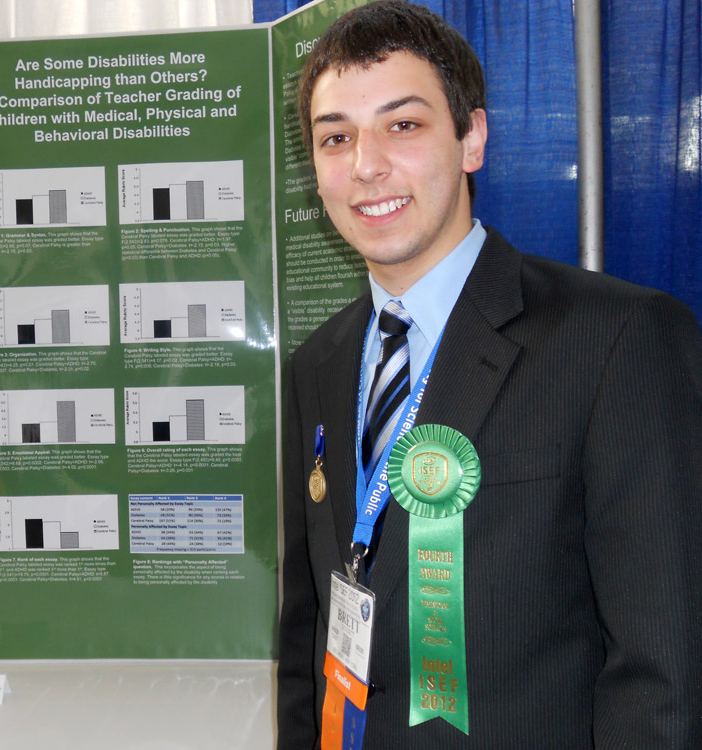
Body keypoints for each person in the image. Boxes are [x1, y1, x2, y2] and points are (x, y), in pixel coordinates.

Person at [277, 1, 702, 747]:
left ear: (472, 137)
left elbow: (664, 670)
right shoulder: (318, 365)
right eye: (335, 137)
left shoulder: (617, 341)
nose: (365, 164)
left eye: (402, 125)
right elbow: (308, 628)